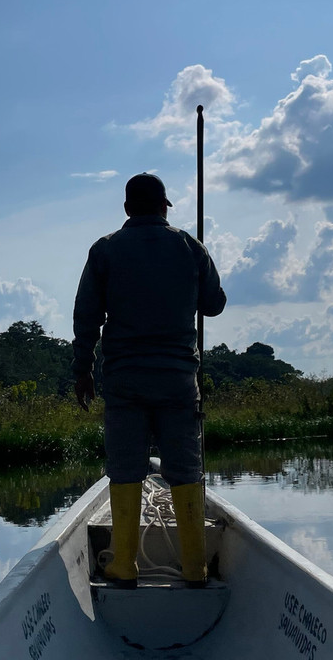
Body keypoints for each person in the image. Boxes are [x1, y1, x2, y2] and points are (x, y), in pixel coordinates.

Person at [72, 173, 226, 588]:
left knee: (125, 469)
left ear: (126, 209)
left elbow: (86, 317)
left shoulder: (104, 250)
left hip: (123, 378)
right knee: (186, 468)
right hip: (178, 378)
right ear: (163, 207)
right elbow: (214, 305)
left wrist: (82, 370)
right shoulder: (189, 247)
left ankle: (125, 566)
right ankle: (195, 568)